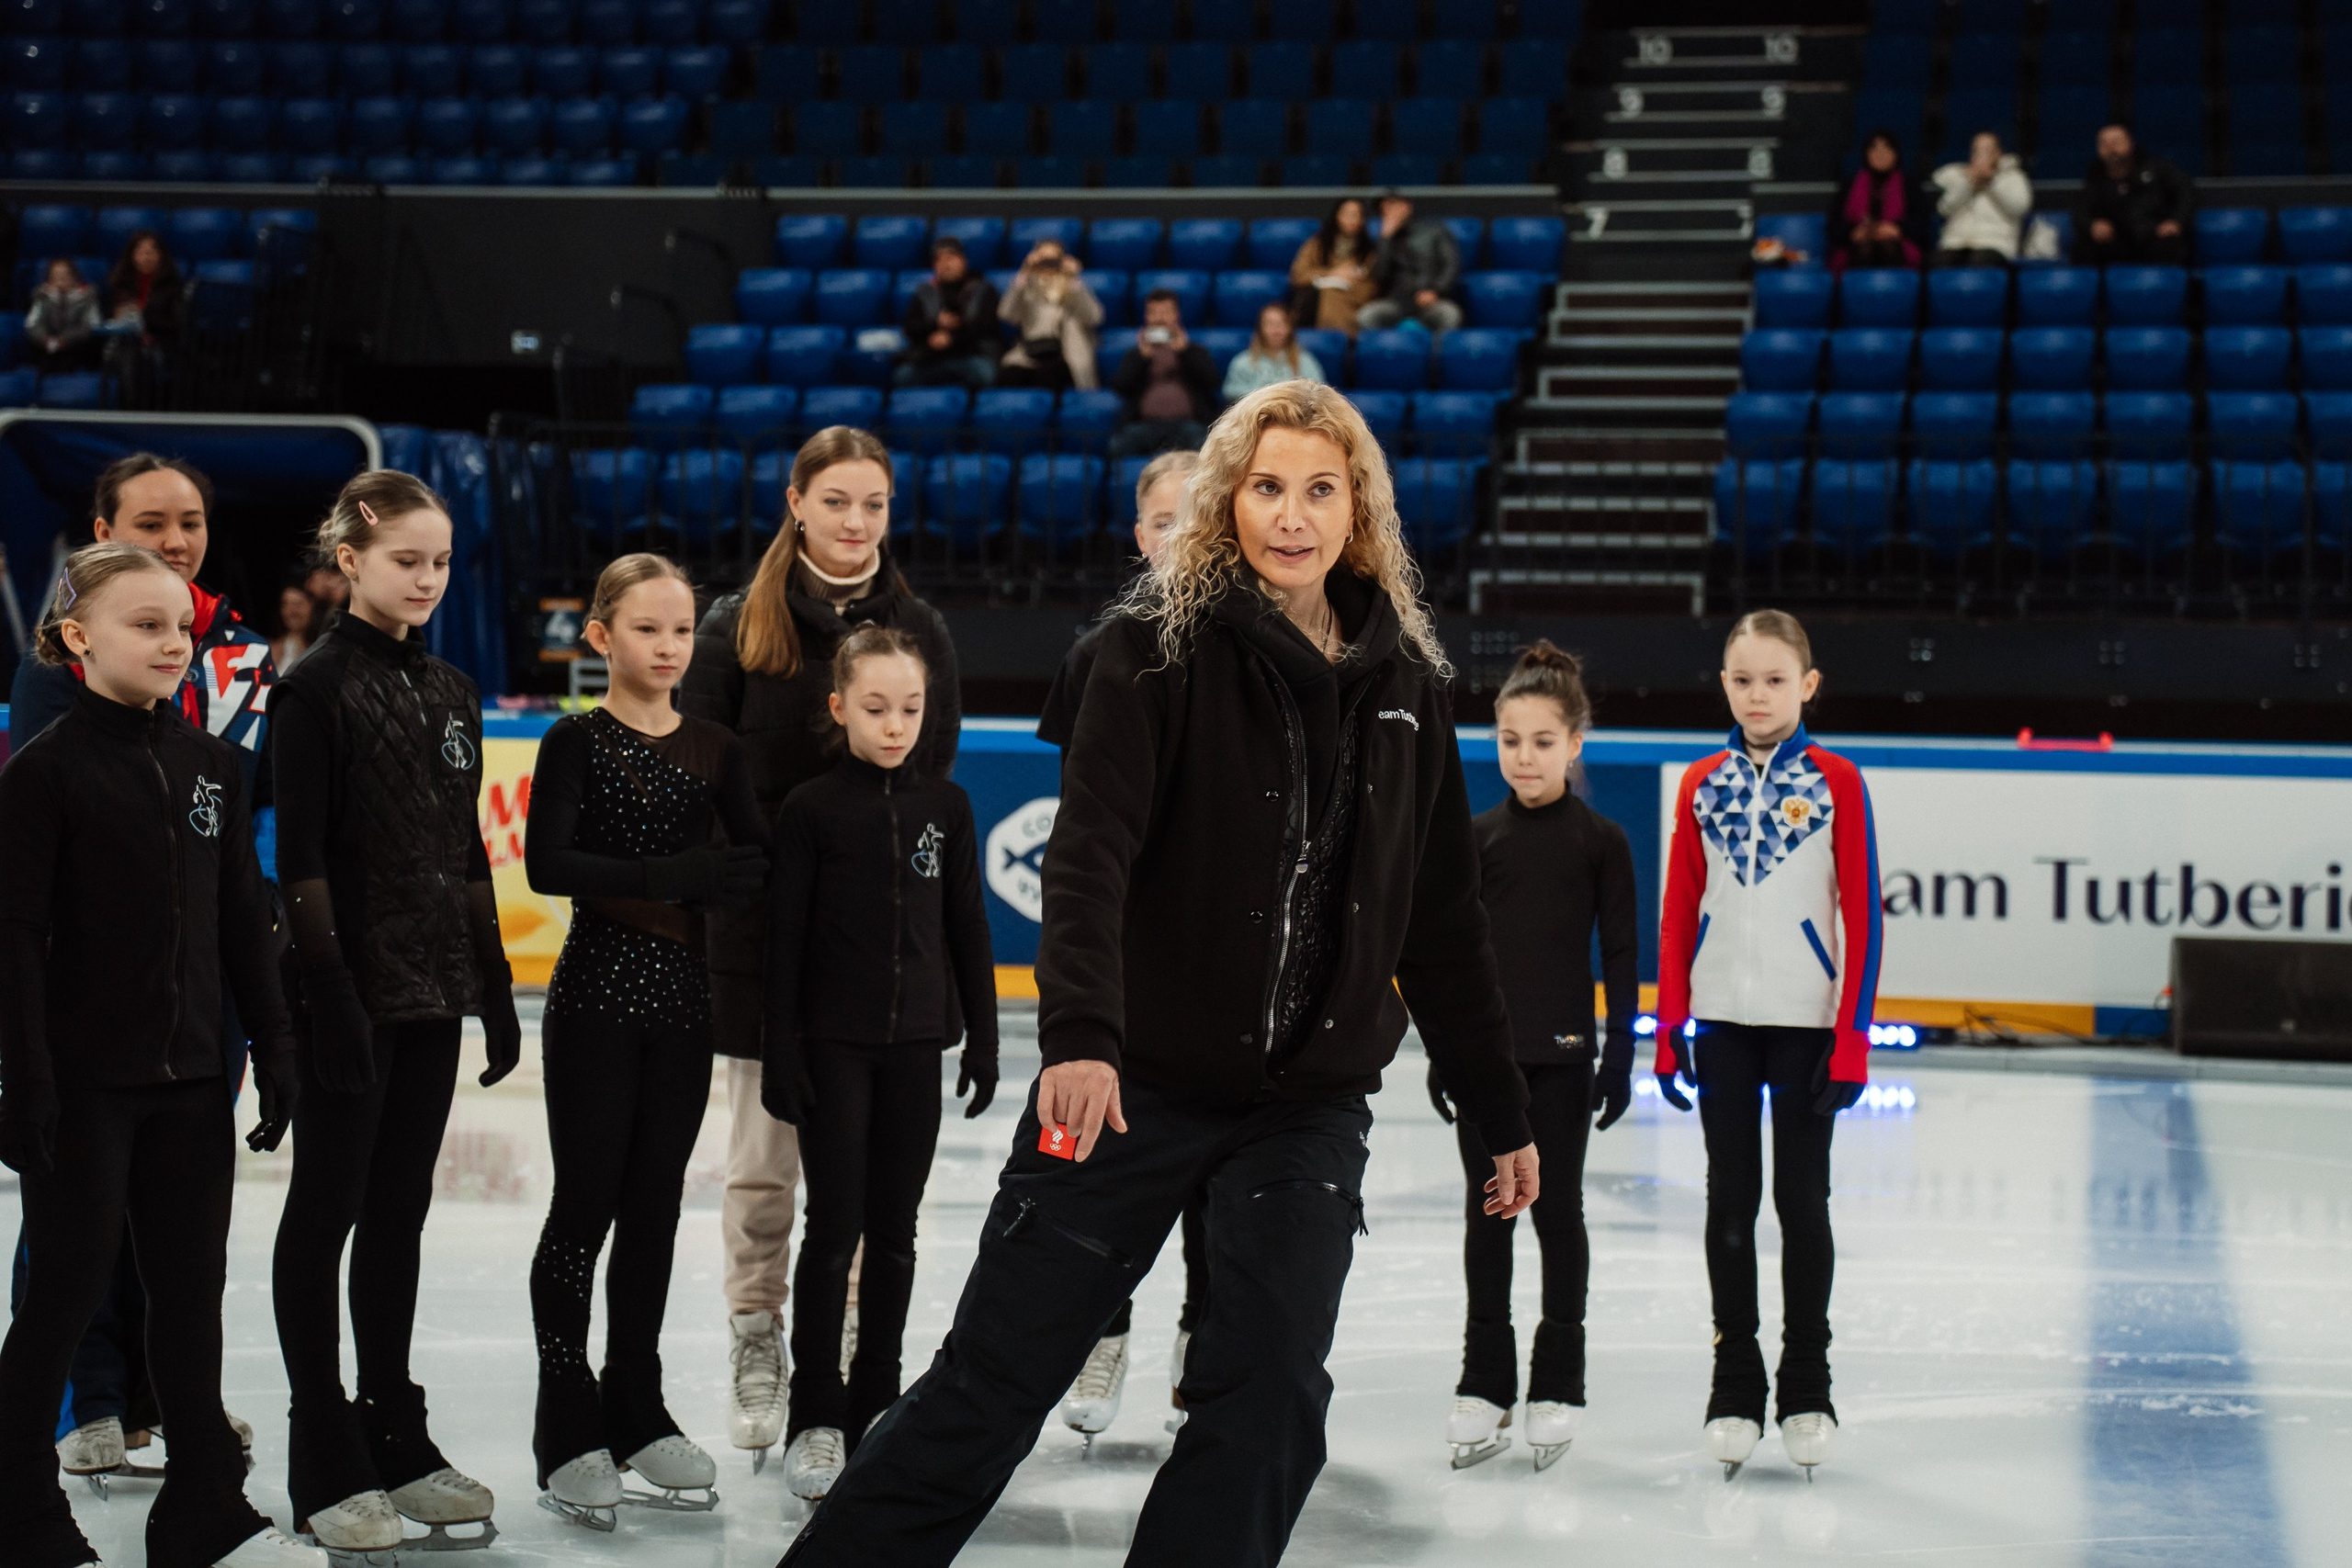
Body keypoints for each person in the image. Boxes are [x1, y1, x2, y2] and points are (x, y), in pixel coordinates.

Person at [777, 379, 1538, 1568]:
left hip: (1307, 1104)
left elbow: (1441, 919)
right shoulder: (1146, 649)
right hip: (1133, 1080)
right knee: (995, 1376)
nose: (1292, 514)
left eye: (1320, 489)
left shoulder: (1409, 687)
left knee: (1271, 1390)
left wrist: (1498, 1107)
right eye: (1268, 485)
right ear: (1230, 496)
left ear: (1361, 511)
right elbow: (1088, 852)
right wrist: (1080, 1031)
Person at [0, 542, 315, 1568]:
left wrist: (273, 1047)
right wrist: (26, 1079)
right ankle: (18, 1508)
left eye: (181, 625)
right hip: (87, 1088)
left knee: (190, 1295)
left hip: (189, 1082)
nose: (174, 643)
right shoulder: (42, 773)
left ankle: (203, 1509)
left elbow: (240, 927)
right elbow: (13, 943)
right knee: (65, 1292)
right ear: (77, 637)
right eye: (146, 625)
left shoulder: (211, 768)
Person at [677, 424, 961, 1471]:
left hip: (877, 969)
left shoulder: (919, 626)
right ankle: (759, 1338)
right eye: (836, 501)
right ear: (795, 502)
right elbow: (695, 789)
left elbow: (932, 795)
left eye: (873, 504)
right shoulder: (731, 629)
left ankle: (844, 1353)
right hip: (764, 954)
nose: (854, 522)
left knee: (864, 1187)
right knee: (766, 1169)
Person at [269, 470, 523, 1556]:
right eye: (405, 561)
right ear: (352, 560)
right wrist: (329, 999)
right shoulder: (314, 689)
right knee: (326, 1211)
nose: (425, 579)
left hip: (431, 994)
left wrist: (498, 982)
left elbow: (464, 850)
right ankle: (321, 1443)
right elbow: (304, 858)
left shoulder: (453, 691)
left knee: (401, 1214)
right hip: (345, 990)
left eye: (440, 562)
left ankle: (393, 1426)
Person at [523, 553, 771, 1527]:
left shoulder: (717, 747)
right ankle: (564, 1416)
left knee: (657, 1209)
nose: (668, 647)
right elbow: (550, 863)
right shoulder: (574, 741)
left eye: (681, 632)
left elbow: (751, 862)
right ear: (601, 639)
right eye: (647, 629)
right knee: (585, 1204)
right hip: (593, 995)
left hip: (682, 1003)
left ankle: (636, 1400)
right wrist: (681, 874)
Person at [763, 625, 1000, 1501]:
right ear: (839, 708)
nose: (895, 723)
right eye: (875, 707)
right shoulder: (812, 809)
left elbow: (967, 923)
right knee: (833, 1229)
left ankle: (876, 1401)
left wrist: (984, 1031)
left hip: (915, 1050)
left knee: (894, 1233)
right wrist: (780, 1050)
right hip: (834, 1048)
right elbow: (784, 938)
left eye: (910, 707)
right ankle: (814, 1412)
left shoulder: (949, 806)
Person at [1652, 609, 1882, 1480]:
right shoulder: (1700, 782)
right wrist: (1672, 1026)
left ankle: (1808, 1383)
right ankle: (1734, 1382)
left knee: (1803, 1205)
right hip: (1722, 1027)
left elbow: (1862, 912)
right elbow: (1678, 910)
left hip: (1806, 1029)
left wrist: (1852, 1036)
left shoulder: (1839, 780)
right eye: (1743, 679)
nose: (1758, 694)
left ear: (1808, 685)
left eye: (1775, 679)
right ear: (1724, 683)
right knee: (1728, 1204)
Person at [1035, 449, 1214, 1445]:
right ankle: (1100, 1328)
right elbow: (1084, 833)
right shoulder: (1100, 651)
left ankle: (1202, 1336)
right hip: (1114, 974)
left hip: (1202, 977)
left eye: (1195, 513)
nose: (1176, 531)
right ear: (1136, 531)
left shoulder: (1255, 650)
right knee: (1088, 1169)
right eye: (1159, 516)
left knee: (1208, 1185)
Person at [1430, 641, 1637, 1473]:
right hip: (1487, 1064)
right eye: (1511, 740)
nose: (1525, 756)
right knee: (1489, 1212)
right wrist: (1448, 1053)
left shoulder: (1601, 841)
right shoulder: (1475, 839)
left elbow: (1620, 955)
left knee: (1559, 1214)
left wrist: (1621, 1056)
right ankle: (1486, 1379)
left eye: (1543, 741)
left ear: (1575, 741)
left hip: (1562, 1059)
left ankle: (1559, 1379)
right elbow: (1450, 958)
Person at [1108, 289, 1218, 459]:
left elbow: (1211, 382)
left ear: (1176, 315)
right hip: (1145, 425)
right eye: (1155, 313)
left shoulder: (1194, 350)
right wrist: (1142, 359)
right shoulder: (1136, 354)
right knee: (1117, 446)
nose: (1160, 318)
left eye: (1166, 312)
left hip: (1188, 425)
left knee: (1206, 446)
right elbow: (1121, 387)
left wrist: (1185, 353)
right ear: (1146, 316)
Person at [996, 238, 1103, 393]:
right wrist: (1024, 273)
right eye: (1043, 259)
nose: (1049, 265)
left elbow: (1095, 318)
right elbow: (1005, 314)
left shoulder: (1075, 287)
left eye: (1053, 259)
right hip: (1031, 350)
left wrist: (1074, 280)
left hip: (1066, 352)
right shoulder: (1027, 289)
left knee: (1047, 375)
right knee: (1010, 374)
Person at [893, 238, 1000, 390]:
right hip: (932, 358)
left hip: (970, 355)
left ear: (963, 261)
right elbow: (910, 328)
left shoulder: (983, 290)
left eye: (951, 258)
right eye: (939, 260)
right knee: (903, 376)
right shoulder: (924, 292)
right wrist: (935, 325)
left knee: (984, 374)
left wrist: (951, 339)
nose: (946, 264)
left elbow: (986, 327)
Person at [2079, 123, 2192, 266]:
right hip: (2115, 243)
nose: (2111, 149)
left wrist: (2177, 221)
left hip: (2154, 237)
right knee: (2086, 247)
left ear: (2131, 143)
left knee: (2172, 243)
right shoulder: (2095, 177)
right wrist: (2092, 225)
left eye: (2116, 142)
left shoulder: (2157, 169)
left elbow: (2186, 193)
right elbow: (2081, 211)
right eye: (2104, 144)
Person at [1356, 188, 1463, 335]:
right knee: (1367, 316)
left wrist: (1435, 290)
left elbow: (1451, 265)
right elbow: (1379, 275)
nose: (1389, 212)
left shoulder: (1435, 231)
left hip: (1431, 300)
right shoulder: (1383, 240)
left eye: (1393, 206)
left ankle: (1436, 355)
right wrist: (1386, 238)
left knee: (1450, 314)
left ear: (1407, 206)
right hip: (1397, 303)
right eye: (1384, 209)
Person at [106, 230, 187, 402]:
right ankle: (130, 416)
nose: (146, 257)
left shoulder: (173, 286)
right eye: (141, 252)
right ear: (132, 255)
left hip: (161, 346)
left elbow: (177, 324)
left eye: (151, 252)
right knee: (130, 354)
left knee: (140, 358)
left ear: (161, 255)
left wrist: (145, 318)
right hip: (124, 345)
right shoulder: (120, 284)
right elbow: (106, 320)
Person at [1931, 131, 2032, 266]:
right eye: (1976, 151)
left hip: (1995, 245)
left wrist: (1991, 182)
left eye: (1987, 151)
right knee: (1937, 262)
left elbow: (2019, 208)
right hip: (1955, 243)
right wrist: (1968, 183)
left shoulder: (2013, 177)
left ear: (1998, 153)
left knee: (1979, 262)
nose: (1981, 156)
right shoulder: (1959, 176)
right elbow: (1944, 209)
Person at [1828, 130, 1924, 272]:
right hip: (1856, 248)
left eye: (1886, 148)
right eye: (1874, 149)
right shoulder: (1850, 184)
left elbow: (1921, 224)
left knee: (1888, 248)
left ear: (1895, 153)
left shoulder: (1909, 185)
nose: (1880, 154)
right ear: (1866, 154)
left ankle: (1896, 292)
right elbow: (1833, 227)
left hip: (1898, 246)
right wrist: (1853, 233)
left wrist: (1897, 230)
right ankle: (1858, 292)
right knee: (1865, 249)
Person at [1287, 196, 1377, 333]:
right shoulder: (1317, 245)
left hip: (1350, 307)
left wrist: (1347, 283)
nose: (1351, 219)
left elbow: (1371, 288)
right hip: (1312, 305)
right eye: (1346, 214)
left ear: (1363, 220)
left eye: (1356, 215)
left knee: (1333, 295)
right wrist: (1331, 274)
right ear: (1336, 216)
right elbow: (1298, 275)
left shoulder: (1369, 251)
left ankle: (1341, 343)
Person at [1222, 301, 1326, 400]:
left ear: (1290, 328)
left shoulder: (1306, 362)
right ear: (1260, 328)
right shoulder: (1242, 361)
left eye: (1281, 324)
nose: (1276, 330)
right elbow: (1230, 393)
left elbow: (1318, 394)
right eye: (1270, 324)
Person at [23, 257, 98, 374]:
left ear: (74, 276)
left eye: (65, 274)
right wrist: (44, 339)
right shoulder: (42, 296)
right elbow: (33, 324)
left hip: (76, 346)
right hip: (47, 346)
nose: (61, 278)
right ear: (49, 278)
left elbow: (92, 325)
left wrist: (66, 340)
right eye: (56, 275)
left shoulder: (87, 296)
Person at [273, 581, 317, 672]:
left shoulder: (323, 650)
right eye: (286, 604)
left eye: (298, 604)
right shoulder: (270, 651)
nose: (291, 611)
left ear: (312, 606)